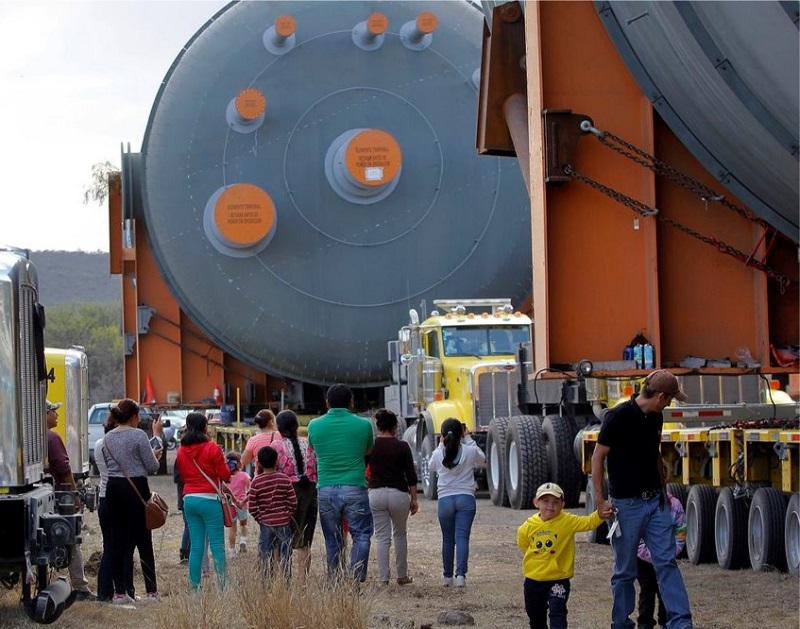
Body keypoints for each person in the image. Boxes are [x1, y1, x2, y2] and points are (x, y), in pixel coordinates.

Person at [591, 369, 693, 629]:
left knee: (666, 563)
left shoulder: (656, 417)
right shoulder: (618, 416)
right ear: (660, 396)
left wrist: (664, 490)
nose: (669, 404)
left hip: (656, 502)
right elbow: (598, 457)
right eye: (670, 399)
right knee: (625, 571)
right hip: (626, 506)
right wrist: (600, 501)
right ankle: (621, 623)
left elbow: (655, 453)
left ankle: (681, 623)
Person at [517, 482, 612, 629]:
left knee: (558, 612)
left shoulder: (567, 521)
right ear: (536, 503)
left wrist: (599, 514)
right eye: (545, 501)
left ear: (563, 505)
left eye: (556, 502)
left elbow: (587, 523)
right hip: (533, 579)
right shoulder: (527, 526)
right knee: (535, 616)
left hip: (558, 579)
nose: (550, 506)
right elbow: (523, 544)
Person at [307, 384, 374, 582]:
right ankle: (355, 576)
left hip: (326, 488)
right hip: (355, 486)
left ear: (327, 403)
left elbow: (313, 448)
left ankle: (335, 580)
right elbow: (369, 450)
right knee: (361, 535)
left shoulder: (314, 425)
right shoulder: (364, 425)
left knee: (332, 539)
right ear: (351, 402)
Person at [99, 398, 163, 603]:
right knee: (144, 540)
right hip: (137, 488)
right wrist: (155, 455)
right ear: (134, 416)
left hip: (113, 489)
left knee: (117, 541)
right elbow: (152, 466)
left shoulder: (108, 437)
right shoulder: (138, 435)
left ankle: (119, 592)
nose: (139, 420)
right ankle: (151, 592)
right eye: (139, 416)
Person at [45, 400, 96, 601]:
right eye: (53, 411)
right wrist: (75, 495)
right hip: (57, 497)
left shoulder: (30, 438)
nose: (57, 415)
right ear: (44, 414)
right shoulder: (52, 438)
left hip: (41, 496)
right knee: (71, 538)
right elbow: (64, 471)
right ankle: (80, 586)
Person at [175, 411, 233, 589]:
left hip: (189, 499)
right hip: (209, 499)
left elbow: (183, 475)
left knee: (196, 546)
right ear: (205, 427)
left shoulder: (181, 450)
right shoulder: (212, 448)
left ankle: (195, 589)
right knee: (217, 545)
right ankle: (223, 587)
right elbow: (226, 475)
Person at [428, 417, 485, 587]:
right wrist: (468, 438)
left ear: (443, 436)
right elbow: (482, 458)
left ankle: (447, 576)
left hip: (445, 500)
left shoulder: (439, 454)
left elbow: (431, 466)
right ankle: (460, 576)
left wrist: (440, 445)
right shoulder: (470, 451)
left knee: (447, 539)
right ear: (461, 433)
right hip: (466, 498)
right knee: (462, 538)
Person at [367, 408, 419, 586]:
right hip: (399, 494)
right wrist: (414, 499)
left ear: (378, 426)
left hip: (376, 493)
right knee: (400, 534)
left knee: (382, 537)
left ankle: (384, 578)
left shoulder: (372, 446)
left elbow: (364, 467)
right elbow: (411, 475)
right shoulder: (402, 446)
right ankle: (402, 575)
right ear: (395, 426)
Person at [275, 409, 318, 578]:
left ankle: (282, 580)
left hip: (284, 494)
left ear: (279, 428)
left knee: (280, 540)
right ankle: (303, 583)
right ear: (296, 426)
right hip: (309, 493)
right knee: (304, 542)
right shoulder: (309, 444)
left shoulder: (276, 447)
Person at [637, 494, 687, 629]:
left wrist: (672, 551)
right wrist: (650, 555)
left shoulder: (674, 505)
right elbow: (636, 534)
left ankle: (666, 621)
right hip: (643, 559)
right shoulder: (640, 504)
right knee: (647, 589)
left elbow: (680, 530)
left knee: (665, 589)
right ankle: (645, 622)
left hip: (665, 556)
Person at [248, 445, 297, 578]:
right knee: (285, 554)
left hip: (266, 523)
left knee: (265, 554)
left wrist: (260, 519)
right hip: (284, 523)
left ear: (258, 463)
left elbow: (252, 506)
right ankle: (285, 581)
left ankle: (267, 582)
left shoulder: (256, 482)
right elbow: (293, 502)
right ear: (277, 461)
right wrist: (288, 515)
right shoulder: (284, 479)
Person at [225, 451, 251, 557]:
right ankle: (243, 540)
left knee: (232, 528)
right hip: (242, 505)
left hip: (230, 505)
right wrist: (244, 500)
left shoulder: (226, 478)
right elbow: (251, 489)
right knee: (243, 524)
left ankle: (232, 551)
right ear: (239, 464)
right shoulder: (244, 475)